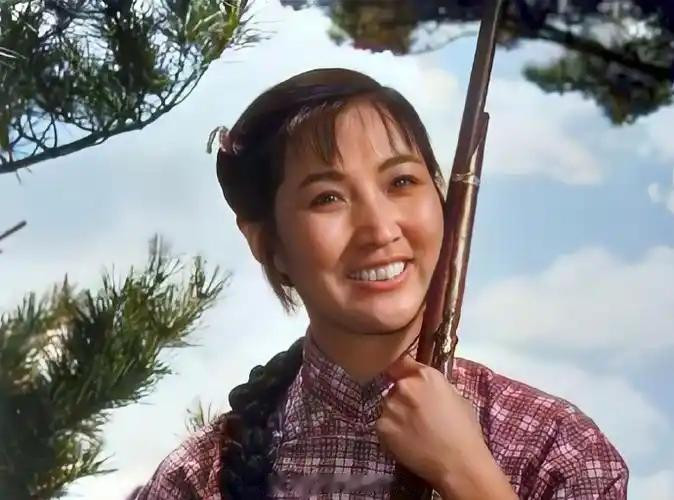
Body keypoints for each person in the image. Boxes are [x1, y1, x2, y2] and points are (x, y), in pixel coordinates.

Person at [135, 68, 628, 499]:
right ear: (268, 243)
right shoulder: (196, 478)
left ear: (444, 200)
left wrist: (467, 474)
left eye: (401, 183)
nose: (379, 229)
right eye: (328, 198)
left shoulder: (553, 449)